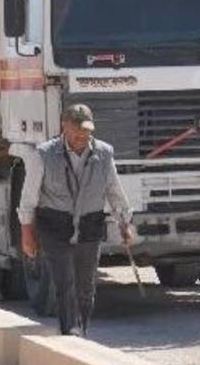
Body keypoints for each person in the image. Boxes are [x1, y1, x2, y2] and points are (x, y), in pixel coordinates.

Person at [18, 104, 132, 336]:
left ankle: (83, 330)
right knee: (65, 282)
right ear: (65, 127)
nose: (82, 136)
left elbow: (114, 190)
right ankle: (70, 332)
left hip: (89, 226)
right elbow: (29, 196)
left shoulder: (103, 153)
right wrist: (27, 232)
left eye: (87, 131)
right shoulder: (44, 154)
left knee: (86, 287)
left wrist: (124, 223)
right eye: (77, 130)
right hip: (55, 226)